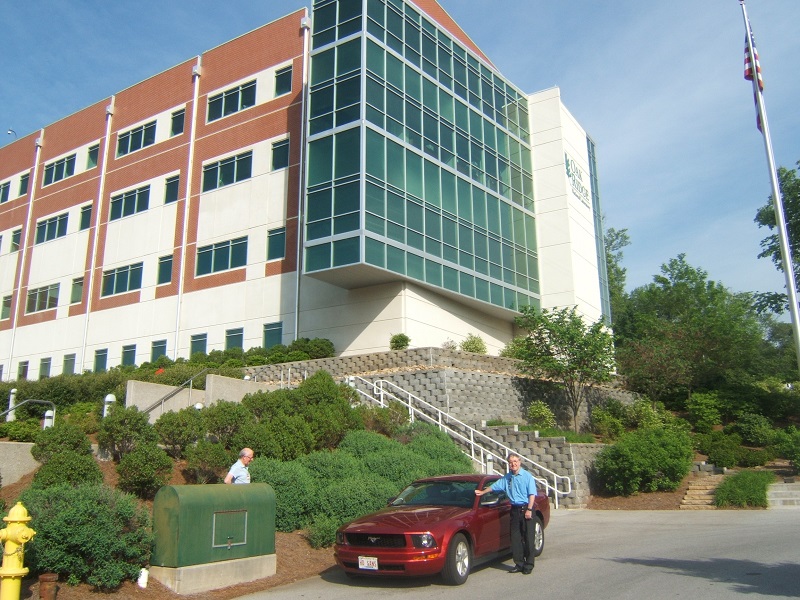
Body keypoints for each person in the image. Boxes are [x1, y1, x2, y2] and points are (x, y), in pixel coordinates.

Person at [475, 452, 538, 574]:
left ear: (519, 462)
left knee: (528, 538)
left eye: (515, 461)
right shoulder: (507, 477)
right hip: (514, 510)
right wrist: (483, 492)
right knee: (515, 538)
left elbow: (531, 495)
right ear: (509, 464)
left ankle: (529, 565)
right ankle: (519, 564)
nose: (513, 464)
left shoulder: (527, 476)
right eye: (511, 462)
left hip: (526, 509)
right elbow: (495, 486)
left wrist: (529, 510)